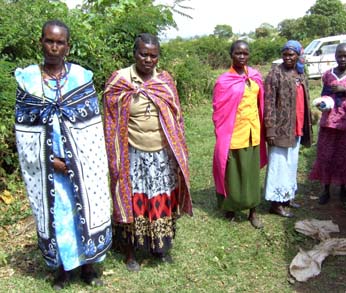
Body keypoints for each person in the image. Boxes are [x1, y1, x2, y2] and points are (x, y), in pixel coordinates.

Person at [14, 20, 112, 290]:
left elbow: (92, 127)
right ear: (41, 43)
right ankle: (62, 270)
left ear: (68, 47)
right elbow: (24, 133)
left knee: (88, 211)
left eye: (60, 42)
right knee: (57, 216)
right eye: (49, 41)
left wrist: (77, 160)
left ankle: (89, 266)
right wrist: (51, 160)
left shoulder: (82, 78)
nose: (54, 47)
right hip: (48, 169)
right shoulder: (28, 81)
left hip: (83, 164)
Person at [103, 33, 192, 271]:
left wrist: (179, 148)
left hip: (162, 153)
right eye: (143, 54)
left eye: (153, 55)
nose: (148, 59)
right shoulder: (119, 80)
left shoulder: (164, 81)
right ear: (135, 54)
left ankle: (159, 248)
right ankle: (130, 252)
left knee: (161, 199)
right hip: (132, 153)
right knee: (133, 201)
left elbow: (177, 116)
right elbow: (110, 121)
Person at [212, 40, 267, 229]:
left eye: (245, 53)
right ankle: (231, 207)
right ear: (231, 55)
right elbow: (218, 111)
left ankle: (253, 211)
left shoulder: (255, 76)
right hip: (234, 133)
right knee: (233, 173)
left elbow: (261, 104)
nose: (242, 56)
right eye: (238, 53)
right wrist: (221, 135)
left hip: (253, 132)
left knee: (251, 174)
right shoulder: (224, 81)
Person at [309, 43, 346, 211]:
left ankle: (343, 189)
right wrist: (322, 103)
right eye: (339, 55)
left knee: (344, 157)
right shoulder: (327, 75)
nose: (342, 59)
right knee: (326, 156)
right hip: (328, 123)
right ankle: (325, 190)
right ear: (335, 56)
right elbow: (325, 95)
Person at [263, 40, 312, 218]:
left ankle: (287, 197)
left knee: (291, 164)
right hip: (280, 130)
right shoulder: (275, 74)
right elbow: (268, 104)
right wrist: (270, 130)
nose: (288, 57)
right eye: (285, 54)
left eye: (291, 54)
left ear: (298, 55)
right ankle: (275, 203)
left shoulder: (300, 73)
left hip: (296, 127)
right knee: (278, 165)